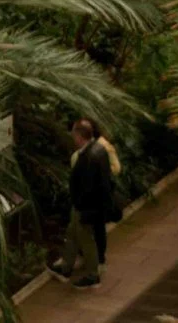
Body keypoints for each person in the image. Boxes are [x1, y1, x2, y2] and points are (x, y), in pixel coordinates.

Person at [53, 117, 120, 287]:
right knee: (72, 233)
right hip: (87, 206)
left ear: (79, 136)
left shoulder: (88, 157)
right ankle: (66, 267)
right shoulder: (98, 149)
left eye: (74, 134)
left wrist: (82, 207)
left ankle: (92, 275)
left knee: (86, 239)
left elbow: (88, 187)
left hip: (86, 207)